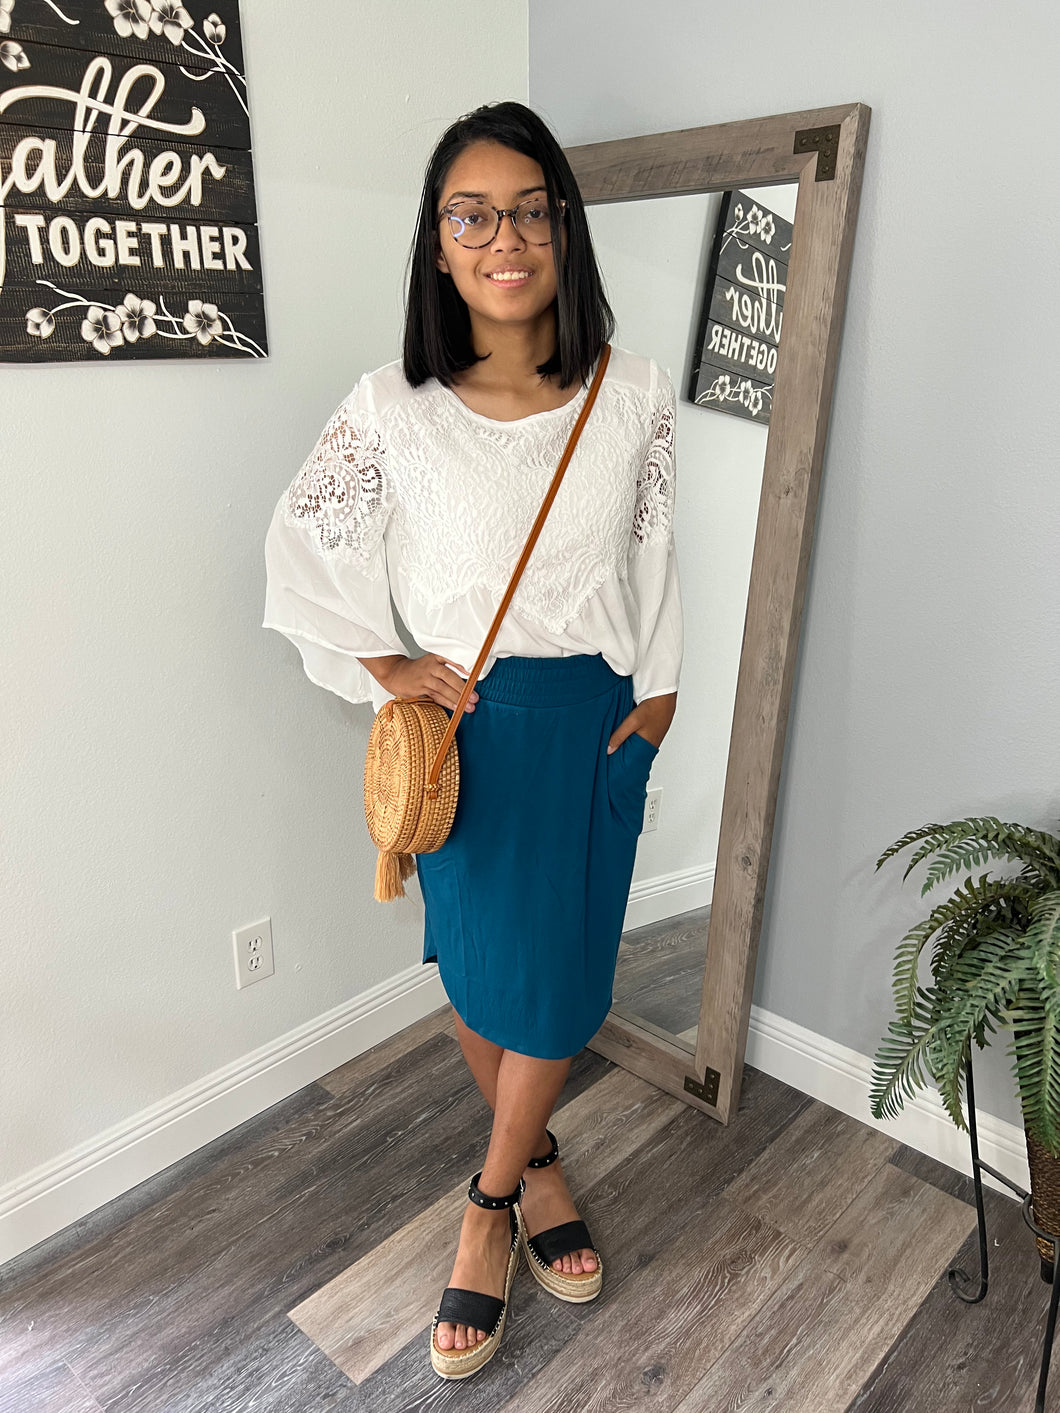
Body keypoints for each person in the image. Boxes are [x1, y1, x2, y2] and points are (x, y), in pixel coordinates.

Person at [262, 100, 682, 1379]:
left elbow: (657, 559)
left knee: (556, 993)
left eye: (529, 209)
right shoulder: (391, 407)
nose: (504, 236)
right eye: (471, 213)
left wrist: (654, 706)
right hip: (462, 734)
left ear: (563, 227)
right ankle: (538, 1161)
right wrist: (386, 666)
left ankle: (487, 1205)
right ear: (438, 246)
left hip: (589, 729)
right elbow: (298, 558)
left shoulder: (633, 390)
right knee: (479, 976)